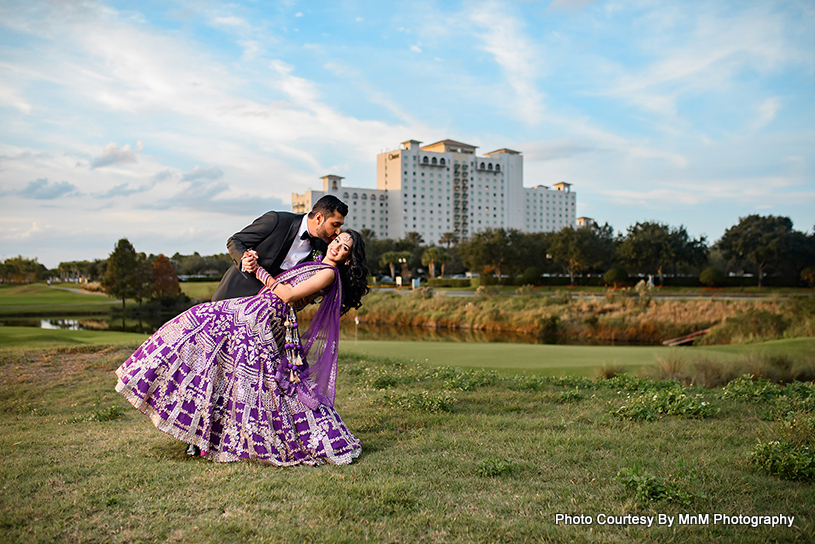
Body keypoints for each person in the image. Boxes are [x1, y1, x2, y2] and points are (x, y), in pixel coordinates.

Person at [115, 230, 369, 466]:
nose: (337, 247)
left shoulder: (328, 273)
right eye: (337, 241)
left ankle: (220, 434)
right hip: (254, 309)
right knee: (205, 341)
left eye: (345, 248)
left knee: (255, 380)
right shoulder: (316, 261)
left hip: (260, 318)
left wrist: (259, 271)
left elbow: (289, 295)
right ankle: (164, 393)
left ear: (348, 258)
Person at [211, 195, 348, 302]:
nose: (337, 231)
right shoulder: (277, 220)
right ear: (319, 218)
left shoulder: (324, 247)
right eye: (335, 224)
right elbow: (235, 240)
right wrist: (244, 258)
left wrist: (305, 299)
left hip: (267, 314)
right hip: (233, 296)